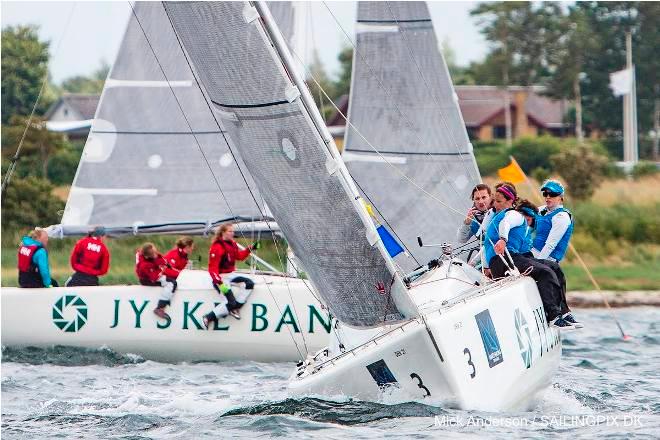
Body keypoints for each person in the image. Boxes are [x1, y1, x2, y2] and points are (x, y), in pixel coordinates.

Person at [483, 187, 574, 329]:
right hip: (504, 260)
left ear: (510, 201)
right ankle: (553, 317)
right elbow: (505, 224)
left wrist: (487, 266)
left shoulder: (508, 216)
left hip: (507, 259)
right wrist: (502, 239)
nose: (495, 204)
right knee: (545, 272)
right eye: (495, 201)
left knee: (553, 267)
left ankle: (564, 312)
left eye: (499, 201)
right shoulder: (513, 214)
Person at [530, 180, 581, 328]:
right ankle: (563, 313)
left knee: (557, 277)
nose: (548, 197)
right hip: (534, 253)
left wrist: (537, 264)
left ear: (561, 197)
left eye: (552, 194)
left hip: (547, 257)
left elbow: (550, 245)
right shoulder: (542, 210)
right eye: (545, 194)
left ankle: (562, 313)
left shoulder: (562, 217)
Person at [202, 224, 260, 328]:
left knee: (249, 284)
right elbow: (212, 269)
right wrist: (219, 283)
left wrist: (250, 248)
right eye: (230, 231)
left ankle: (234, 308)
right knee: (230, 302)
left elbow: (239, 256)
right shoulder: (217, 247)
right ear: (223, 233)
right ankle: (208, 317)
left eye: (233, 231)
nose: (232, 233)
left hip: (231, 274)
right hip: (221, 277)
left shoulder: (232, 244)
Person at [152, 237, 195, 319]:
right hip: (159, 275)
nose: (193, 248)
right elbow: (165, 269)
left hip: (169, 276)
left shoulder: (184, 256)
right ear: (187, 247)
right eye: (192, 246)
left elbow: (177, 270)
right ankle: (159, 308)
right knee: (173, 283)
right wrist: (180, 274)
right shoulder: (174, 254)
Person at [135, 243, 176, 320]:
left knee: (171, 278)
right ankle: (160, 308)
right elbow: (155, 277)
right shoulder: (145, 265)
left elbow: (159, 260)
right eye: (153, 253)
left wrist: (165, 264)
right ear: (147, 256)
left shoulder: (151, 256)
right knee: (172, 283)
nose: (156, 254)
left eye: (155, 251)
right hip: (147, 280)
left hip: (152, 274)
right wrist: (163, 269)